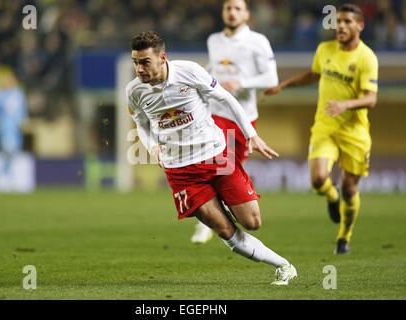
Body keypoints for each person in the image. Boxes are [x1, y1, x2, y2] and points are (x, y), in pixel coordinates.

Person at [126, 31, 297, 285]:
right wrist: (152, 147)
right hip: (180, 170)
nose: (139, 69)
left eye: (145, 62)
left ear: (162, 58)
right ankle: (283, 266)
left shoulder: (190, 72)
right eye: (135, 62)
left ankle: (224, 201)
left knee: (252, 222)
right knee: (225, 230)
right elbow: (140, 123)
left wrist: (251, 134)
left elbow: (226, 98)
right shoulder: (134, 91)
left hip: (216, 156)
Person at [263, 4, 378, 254]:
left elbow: (371, 98)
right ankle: (331, 196)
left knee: (351, 189)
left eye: (348, 21)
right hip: (325, 127)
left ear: (360, 25)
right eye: (339, 21)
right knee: (317, 180)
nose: (341, 26)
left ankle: (344, 237)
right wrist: (283, 85)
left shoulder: (366, 58)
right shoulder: (324, 49)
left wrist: (346, 104)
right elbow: (313, 75)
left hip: (354, 132)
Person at [191, 0, 279, 244]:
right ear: (223, 12)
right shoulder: (214, 40)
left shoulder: (257, 41)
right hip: (215, 113)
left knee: (229, 169)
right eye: (228, 8)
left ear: (247, 14)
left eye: (237, 9)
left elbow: (271, 77)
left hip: (243, 116)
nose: (232, 12)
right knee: (217, 167)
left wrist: (243, 83)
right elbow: (214, 69)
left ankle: (221, 216)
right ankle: (207, 221)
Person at [0, 70, 28, 192]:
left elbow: (22, 111)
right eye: (8, 79)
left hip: (16, 131)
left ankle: (5, 179)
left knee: (13, 153)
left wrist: (24, 122)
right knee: (6, 151)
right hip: (4, 130)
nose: (10, 82)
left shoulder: (19, 94)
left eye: (12, 79)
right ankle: (2, 179)